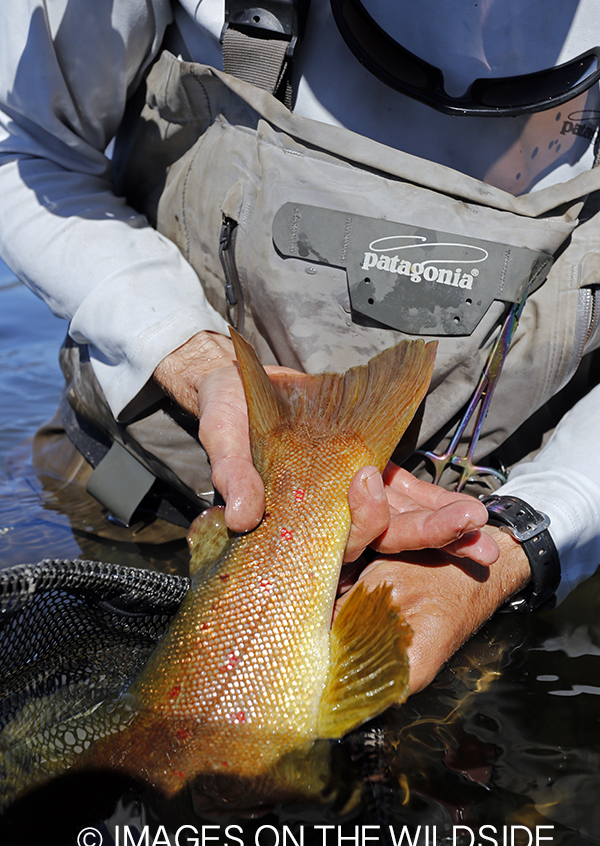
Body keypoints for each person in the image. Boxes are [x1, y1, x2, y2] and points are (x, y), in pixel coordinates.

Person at [1, 0, 600, 696]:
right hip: (135, 500)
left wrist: (518, 540)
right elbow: (23, 139)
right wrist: (196, 361)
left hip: (468, 550)